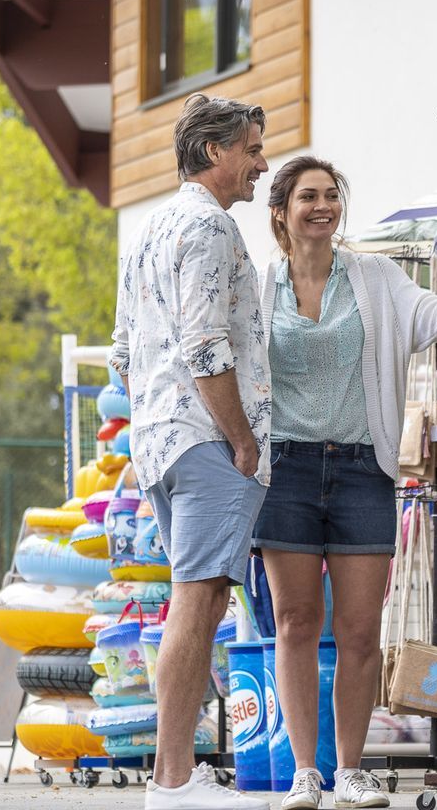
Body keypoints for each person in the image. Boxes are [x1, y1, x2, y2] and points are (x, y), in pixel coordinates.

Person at [255, 157, 437, 810]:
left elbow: (434, 318)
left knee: (361, 629)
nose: (324, 206)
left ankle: (350, 771)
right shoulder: (258, 288)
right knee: (295, 623)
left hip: (363, 469)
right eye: (308, 196)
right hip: (284, 471)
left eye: (332, 195)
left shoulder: (375, 276)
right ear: (281, 211)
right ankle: (304, 773)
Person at [112, 94, 273, 810]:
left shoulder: (148, 229)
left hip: (161, 441)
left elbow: (123, 353)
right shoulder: (210, 227)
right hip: (207, 439)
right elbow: (207, 346)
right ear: (215, 151)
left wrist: (159, 420)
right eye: (252, 150)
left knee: (198, 601)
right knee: (197, 598)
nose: (261, 164)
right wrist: (241, 438)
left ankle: (175, 776)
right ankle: (172, 781)